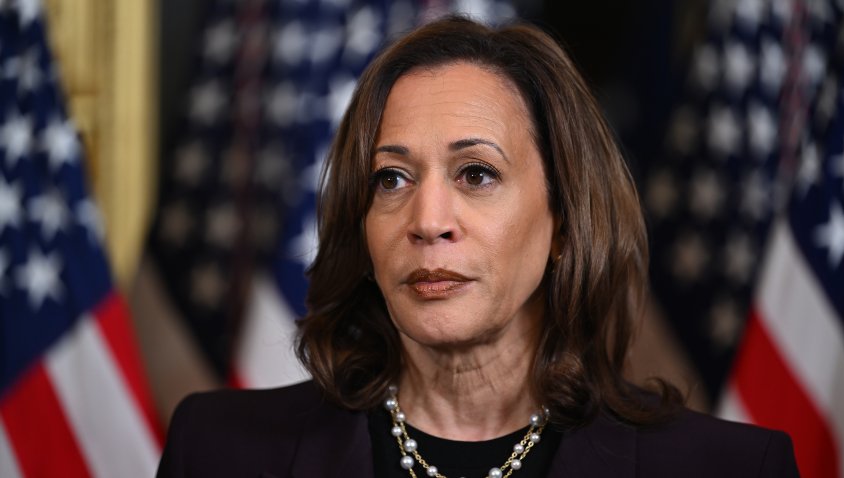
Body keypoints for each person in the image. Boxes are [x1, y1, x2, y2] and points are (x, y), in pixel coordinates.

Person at [156, 16, 800, 478]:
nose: (428, 220)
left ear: (566, 222)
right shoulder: (217, 451)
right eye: (392, 179)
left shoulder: (733, 468)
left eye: (477, 174)